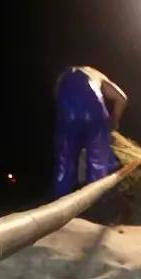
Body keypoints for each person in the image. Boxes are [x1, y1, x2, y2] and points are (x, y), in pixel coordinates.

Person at [52, 66, 128, 198]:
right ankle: (97, 205)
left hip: (67, 111)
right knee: (98, 164)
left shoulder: (65, 75)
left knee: (64, 160)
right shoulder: (98, 75)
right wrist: (113, 121)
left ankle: (58, 202)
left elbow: (56, 94)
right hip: (95, 111)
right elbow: (122, 98)